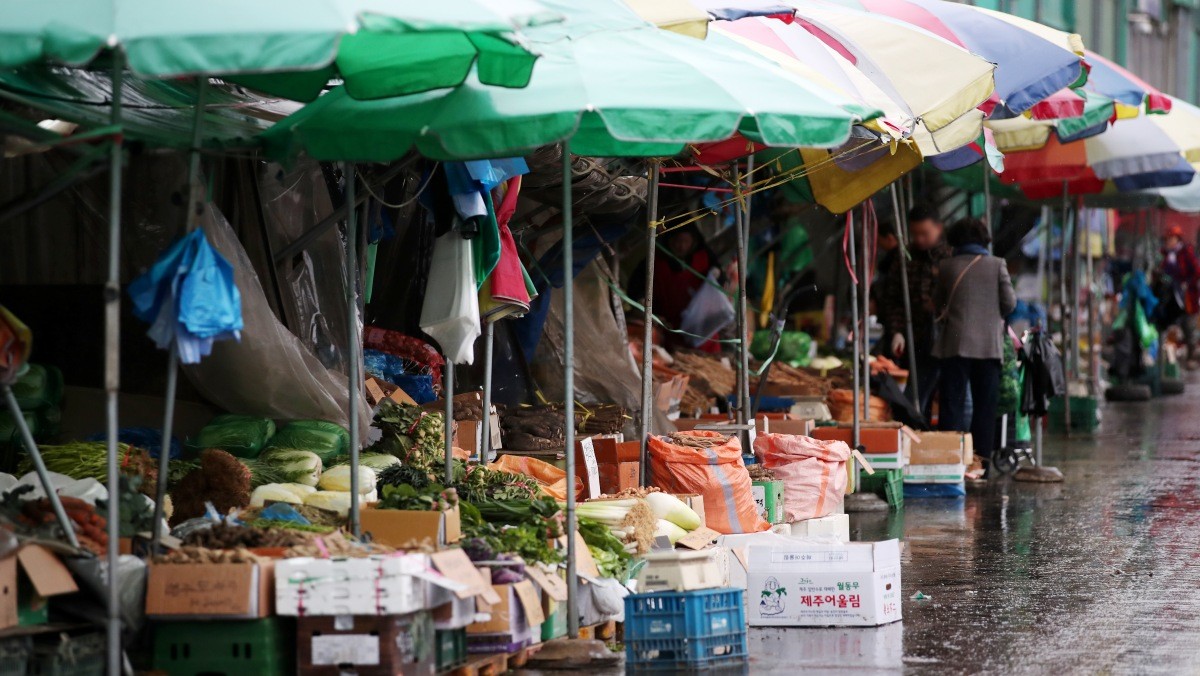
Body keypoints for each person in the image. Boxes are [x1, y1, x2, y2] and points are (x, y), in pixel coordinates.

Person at [934, 218, 1016, 475]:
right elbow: (1010, 304)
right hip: (988, 348)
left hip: (954, 345)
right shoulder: (997, 265)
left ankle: (951, 466)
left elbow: (938, 303)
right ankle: (981, 467)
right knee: (984, 408)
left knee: (952, 405)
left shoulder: (946, 266)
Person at [883, 205, 950, 423]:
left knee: (947, 399)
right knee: (917, 398)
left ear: (938, 228)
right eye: (915, 234)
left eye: (925, 233)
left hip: (947, 339)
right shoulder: (905, 258)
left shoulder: (951, 256)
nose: (919, 239)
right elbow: (893, 299)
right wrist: (897, 331)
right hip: (916, 339)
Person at [628, 224, 721, 353]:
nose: (681, 246)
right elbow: (635, 289)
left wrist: (718, 275)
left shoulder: (705, 257)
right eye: (678, 241)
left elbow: (720, 278)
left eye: (686, 242)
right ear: (669, 240)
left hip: (703, 331)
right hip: (669, 332)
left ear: (694, 242)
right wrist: (642, 304)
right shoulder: (653, 262)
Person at [1158, 225, 1199, 363]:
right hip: (1172, 297)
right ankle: (1171, 359)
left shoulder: (1186, 253)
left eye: (1171, 239)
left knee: (1189, 327)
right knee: (1171, 327)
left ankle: (1191, 357)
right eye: (1167, 239)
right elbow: (1165, 275)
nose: (1169, 242)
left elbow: (1196, 272)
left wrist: (1187, 282)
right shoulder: (1167, 255)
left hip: (1187, 297)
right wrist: (1162, 279)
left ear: (1177, 239)